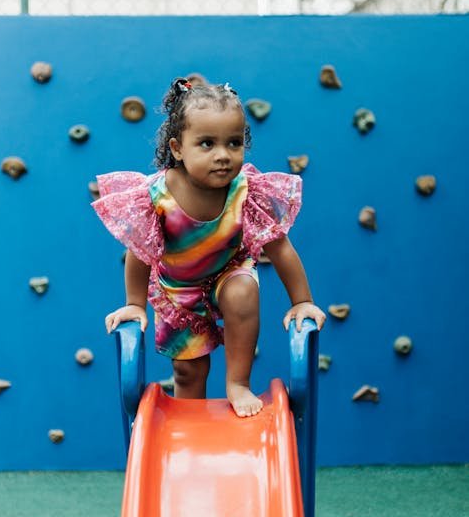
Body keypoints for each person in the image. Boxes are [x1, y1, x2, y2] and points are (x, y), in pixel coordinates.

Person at [92, 77, 326, 417]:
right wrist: (135, 305)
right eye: (206, 144)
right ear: (177, 149)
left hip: (227, 273)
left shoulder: (245, 191)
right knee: (190, 371)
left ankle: (238, 383)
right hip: (178, 291)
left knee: (242, 290)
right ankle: (192, 425)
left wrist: (302, 301)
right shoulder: (157, 196)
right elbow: (139, 252)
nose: (222, 156)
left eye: (233, 143)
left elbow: (279, 247)